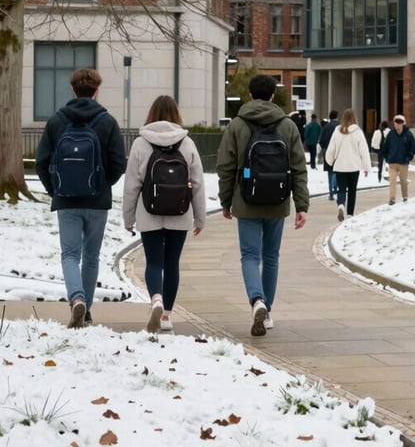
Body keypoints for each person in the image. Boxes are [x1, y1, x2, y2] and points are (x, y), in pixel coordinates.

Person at [216, 74, 309, 336]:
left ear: (250, 94)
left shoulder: (237, 125)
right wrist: (301, 205)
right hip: (278, 201)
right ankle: (267, 310)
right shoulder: (287, 125)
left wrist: (226, 200)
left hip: (246, 200)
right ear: (272, 95)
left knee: (250, 255)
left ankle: (256, 300)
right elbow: (298, 167)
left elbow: (225, 166)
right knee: (271, 256)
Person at [35, 68, 126, 329]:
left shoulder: (56, 121)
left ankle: (76, 298)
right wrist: (102, 185)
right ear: (97, 91)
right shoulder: (107, 122)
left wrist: (54, 189)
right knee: (92, 256)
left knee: (70, 254)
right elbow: (118, 163)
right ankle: (86, 310)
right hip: (97, 200)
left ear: (72, 90)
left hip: (66, 200)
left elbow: (41, 163)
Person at [122, 95, 207, 332]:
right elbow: (197, 183)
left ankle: (156, 299)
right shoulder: (187, 144)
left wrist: (128, 217)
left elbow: (131, 185)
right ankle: (167, 316)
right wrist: (200, 218)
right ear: (176, 115)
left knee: (154, 262)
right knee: (171, 264)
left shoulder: (141, 144)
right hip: (180, 212)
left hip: (149, 212)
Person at [324, 108, 371, 221]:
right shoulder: (358, 132)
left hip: (340, 166)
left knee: (341, 189)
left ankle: (341, 205)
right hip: (354, 166)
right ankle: (350, 214)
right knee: (352, 191)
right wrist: (366, 167)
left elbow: (331, 148)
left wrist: (329, 160)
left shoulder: (337, 131)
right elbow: (364, 151)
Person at [382, 114, 415, 204]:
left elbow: (413, 148)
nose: (398, 124)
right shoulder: (391, 134)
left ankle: (405, 197)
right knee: (392, 181)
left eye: (400, 122)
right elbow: (385, 147)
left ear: (403, 123)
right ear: (394, 123)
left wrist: (408, 158)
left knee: (403, 181)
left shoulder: (408, 134)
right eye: (396, 122)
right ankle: (392, 198)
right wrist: (387, 157)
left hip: (403, 163)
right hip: (392, 162)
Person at [318, 109, 340, 200]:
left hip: (328, 151)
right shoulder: (339, 126)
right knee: (337, 171)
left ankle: (331, 192)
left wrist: (324, 148)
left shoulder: (326, 127)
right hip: (338, 152)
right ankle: (335, 187)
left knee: (329, 172)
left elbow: (321, 141)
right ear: (337, 116)